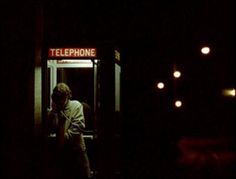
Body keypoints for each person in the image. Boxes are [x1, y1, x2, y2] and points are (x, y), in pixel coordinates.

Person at [46, 82, 91, 179]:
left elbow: (77, 128)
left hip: (76, 151)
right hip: (61, 154)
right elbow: (48, 128)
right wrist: (53, 113)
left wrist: (63, 134)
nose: (60, 102)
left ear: (67, 96)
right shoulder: (54, 110)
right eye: (57, 99)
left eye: (61, 98)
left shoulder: (76, 106)